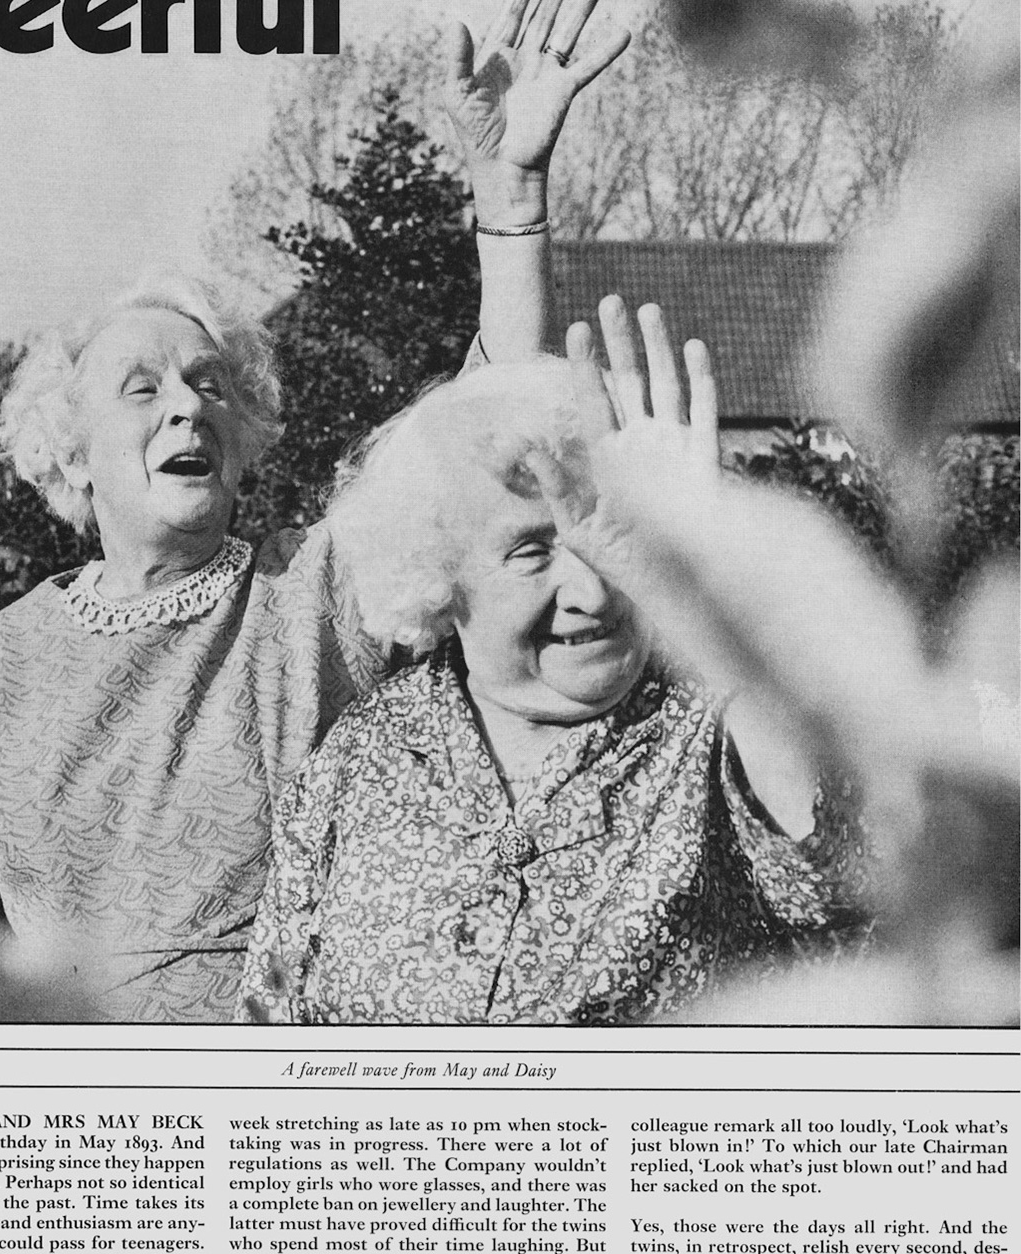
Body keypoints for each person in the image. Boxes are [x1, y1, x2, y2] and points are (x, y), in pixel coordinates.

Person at [0, 0, 630, 1022]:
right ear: (70, 450)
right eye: (142, 389)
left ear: (241, 444)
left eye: (210, 388)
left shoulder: (309, 600)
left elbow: (487, 428)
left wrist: (510, 205)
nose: (188, 410)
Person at [238, 304, 863, 1025]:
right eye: (534, 550)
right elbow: (270, 1012)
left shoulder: (713, 721)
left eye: (616, 531)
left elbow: (833, 879)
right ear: (440, 574)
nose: (594, 588)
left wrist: (702, 590)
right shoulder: (363, 750)